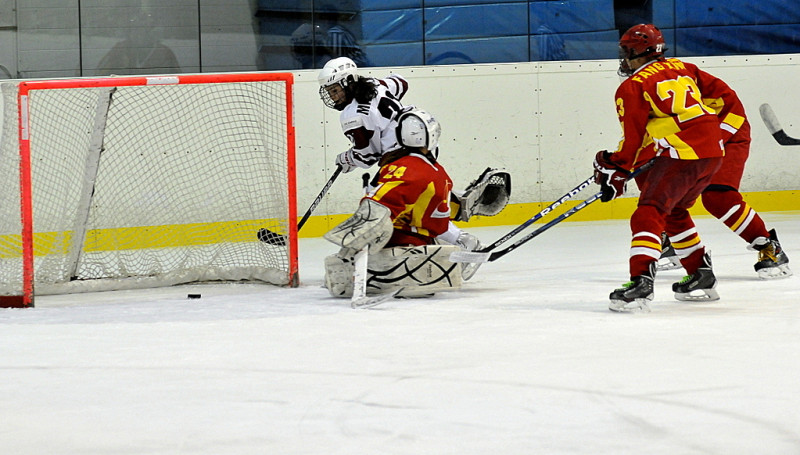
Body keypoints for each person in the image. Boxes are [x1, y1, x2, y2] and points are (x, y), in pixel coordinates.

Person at [317, 57, 510, 281]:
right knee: (420, 199)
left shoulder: (351, 116)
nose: (332, 97)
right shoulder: (378, 85)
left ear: (349, 82)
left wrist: (347, 159)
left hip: (400, 160)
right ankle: (456, 206)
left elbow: (368, 155)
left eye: (334, 90)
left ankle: (459, 233)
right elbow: (401, 82)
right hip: (423, 145)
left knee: (386, 204)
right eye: (329, 92)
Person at [592, 23, 725, 312]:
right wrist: (620, 168)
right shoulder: (681, 67)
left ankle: (640, 281)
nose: (624, 59)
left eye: (627, 53)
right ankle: (701, 274)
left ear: (636, 53)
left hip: (684, 152)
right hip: (714, 149)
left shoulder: (632, 86)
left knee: (648, 211)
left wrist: (614, 164)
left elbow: (633, 139)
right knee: (674, 211)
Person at [653, 67, 791, 279]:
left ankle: (768, 245)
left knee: (718, 197)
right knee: (660, 191)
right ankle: (670, 241)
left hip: (727, 133)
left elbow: (732, 111)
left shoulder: (681, 73)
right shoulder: (634, 87)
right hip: (686, 140)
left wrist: (709, 143)